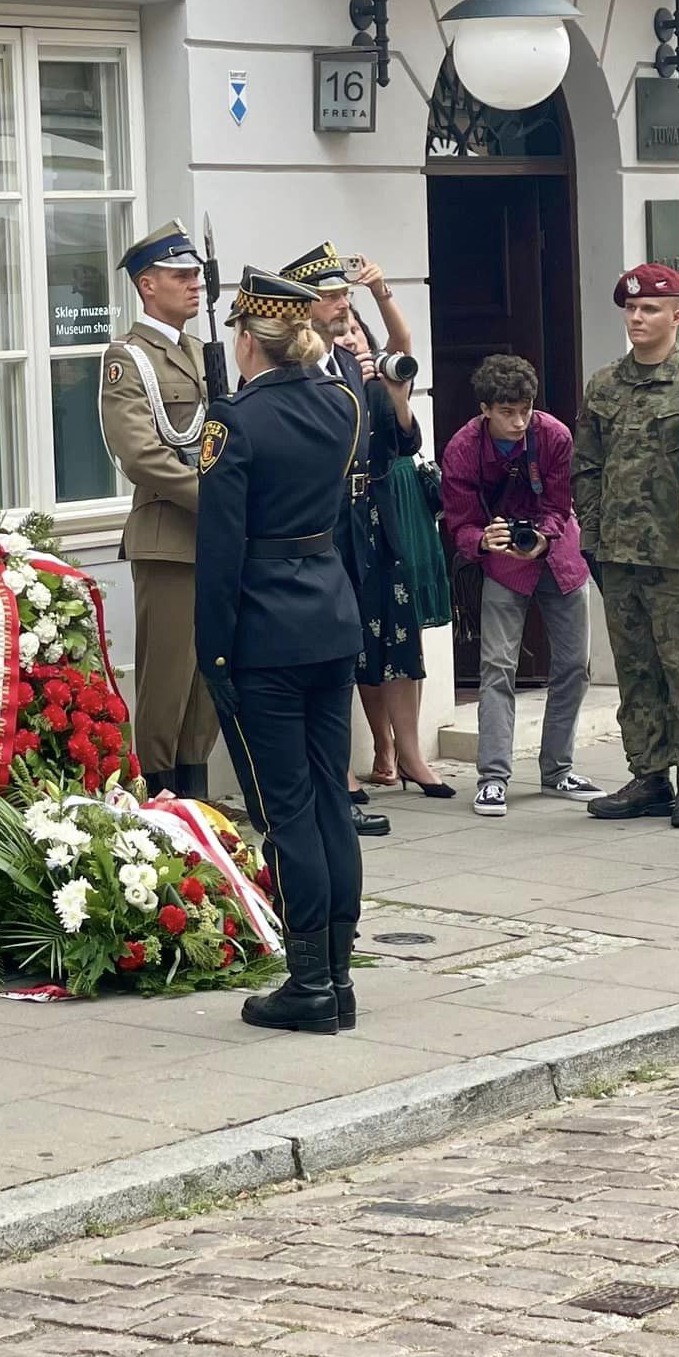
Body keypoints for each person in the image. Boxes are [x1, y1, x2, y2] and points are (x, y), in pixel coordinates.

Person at [194, 267, 366, 1036]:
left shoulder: (234, 423)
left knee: (286, 808)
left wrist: (213, 653)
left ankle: (307, 984)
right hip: (329, 619)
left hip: (262, 632)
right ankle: (338, 975)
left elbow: (220, 550)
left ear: (246, 340)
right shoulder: (340, 404)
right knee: (332, 798)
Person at [575, 264, 679, 830]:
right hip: (618, 552)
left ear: (678, 315)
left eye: (651, 309)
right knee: (635, 670)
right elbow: (587, 465)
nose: (637, 317)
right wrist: (591, 533)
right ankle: (648, 775)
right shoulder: (605, 384)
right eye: (631, 309)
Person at [440, 355, 599, 816]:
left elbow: (559, 501)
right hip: (502, 563)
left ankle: (558, 770)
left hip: (558, 557)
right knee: (497, 668)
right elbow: (460, 520)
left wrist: (544, 537)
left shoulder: (553, 435)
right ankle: (492, 778)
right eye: (507, 411)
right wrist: (484, 539)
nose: (519, 420)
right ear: (485, 408)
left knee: (574, 666)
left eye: (525, 408)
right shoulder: (463, 448)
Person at [282, 241, 404, 834]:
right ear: (303, 307)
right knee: (321, 653)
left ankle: (342, 776)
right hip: (314, 526)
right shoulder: (295, 371)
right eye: (331, 296)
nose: (341, 306)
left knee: (354, 647)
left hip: (357, 521)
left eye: (344, 295)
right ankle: (335, 780)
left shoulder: (351, 364)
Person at [99, 222, 218, 803]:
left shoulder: (199, 351)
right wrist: (216, 498)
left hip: (217, 539)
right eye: (182, 276)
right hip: (169, 537)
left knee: (208, 679)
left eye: (196, 274)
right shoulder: (128, 358)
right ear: (148, 286)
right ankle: (158, 799)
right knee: (168, 676)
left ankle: (195, 796)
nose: (196, 284)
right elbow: (142, 454)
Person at [334, 302, 450, 802]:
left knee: (402, 639)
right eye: (342, 332)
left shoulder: (380, 385)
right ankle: (343, 765)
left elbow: (405, 442)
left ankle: (413, 756)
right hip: (338, 523)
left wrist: (398, 397)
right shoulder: (320, 386)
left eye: (356, 329)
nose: (353, 338)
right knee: (342, 643)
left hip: (383, 519)